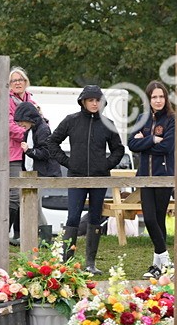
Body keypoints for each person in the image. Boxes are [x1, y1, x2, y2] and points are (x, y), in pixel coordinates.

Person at [48, 86, 125, 275]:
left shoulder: (108, 123)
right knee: (73, 218)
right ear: (83, 101)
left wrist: (106, 165)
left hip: (99, 179)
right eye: (91, 100)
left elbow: (119, 149)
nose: (94, 103)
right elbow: (52, 142)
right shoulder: (71, 121)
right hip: (76, 177)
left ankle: (90, 263)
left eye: (97, 100)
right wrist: (68, 162)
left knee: (95, 218)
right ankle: (68, 262)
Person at [127, 81, 175, 279]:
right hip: (145, 176)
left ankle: (157, 266)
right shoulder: (141, 118)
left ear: (166, 98)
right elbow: (131, 144)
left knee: (158, 219)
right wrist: (153, 140)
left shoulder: (172, 119)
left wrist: (144, 143)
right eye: (154, 97)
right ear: (148, 99)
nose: (158, 100)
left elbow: (167, 147)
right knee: (148, 218)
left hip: (163, 176)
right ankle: (165, 261)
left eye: (161, 96)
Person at [14, 101, 62, 241]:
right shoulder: (30, 130)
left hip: (42, 173)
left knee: (33, 206)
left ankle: (43, 238)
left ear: (29, 118)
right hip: (32, 172)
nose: (20, 125)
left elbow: (46, 153)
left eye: (21, 121)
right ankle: (41, 237)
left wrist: (29, 151)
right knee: (33, 206)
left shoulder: (42, 129)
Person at [7, 67, 34, 240]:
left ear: (26, 82)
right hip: (13, 153)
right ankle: (4, 233)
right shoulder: (6, 101)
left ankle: (19, 234)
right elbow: (9, 125)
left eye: (21, 80)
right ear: (9, 85)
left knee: (28, 193)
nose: (18, 83)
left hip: (30, 153)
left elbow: (40, 121)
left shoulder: (32, 101)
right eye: (14, 80)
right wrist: (27, 134)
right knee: (14, 195)